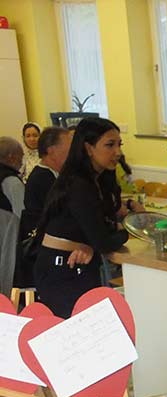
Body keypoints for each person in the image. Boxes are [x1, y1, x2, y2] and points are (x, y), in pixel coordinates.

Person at [33, 118, 127, 318]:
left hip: (76, 264)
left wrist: (91, 244)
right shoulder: (79, 184)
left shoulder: (96, 181)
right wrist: (123, 234)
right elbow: (105, 241)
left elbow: (98, 235)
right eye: (110, 145)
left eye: (119, 144)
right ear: (88, 148)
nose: (117, 152)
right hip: (61, 270)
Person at [17, 127, 72, 287]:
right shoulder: (43, 179)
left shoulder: (53, 175)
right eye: (68, 149)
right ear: (52, 151)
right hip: (46, 251)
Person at [0, 137, 25, 218]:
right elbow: (21, 214)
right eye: (21, 156)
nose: (22, 162)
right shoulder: (12, 182)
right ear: (12, 158)